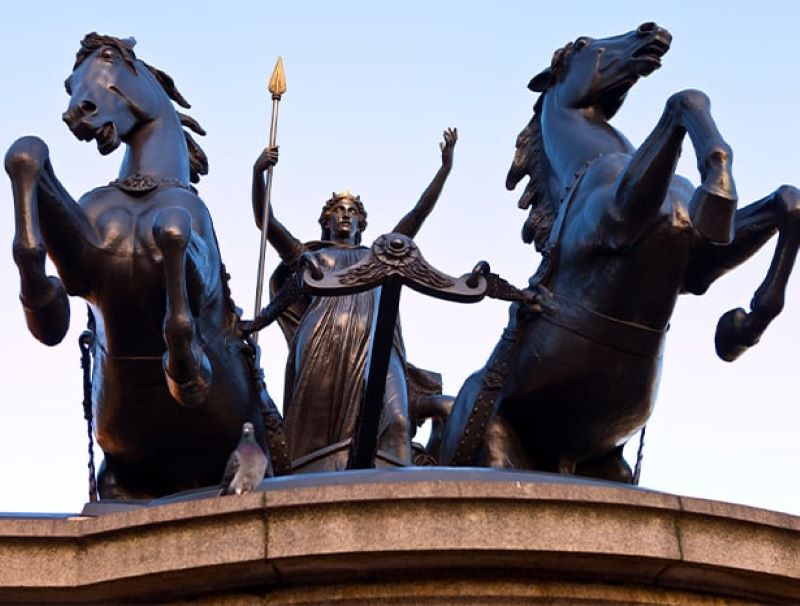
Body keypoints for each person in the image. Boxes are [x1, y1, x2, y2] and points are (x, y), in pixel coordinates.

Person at [252, 128, 457, 471]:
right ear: (326, 221)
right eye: (338, 210)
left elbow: (418, 212)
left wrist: (444, 170)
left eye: (351, 211)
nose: (345, 215)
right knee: (320, 439)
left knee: (397, 421)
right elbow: (266, 221)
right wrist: (257, 173)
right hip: (322, 344)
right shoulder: (308, 256)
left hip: (375, 345)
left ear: (362, 223)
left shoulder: (383, 254)